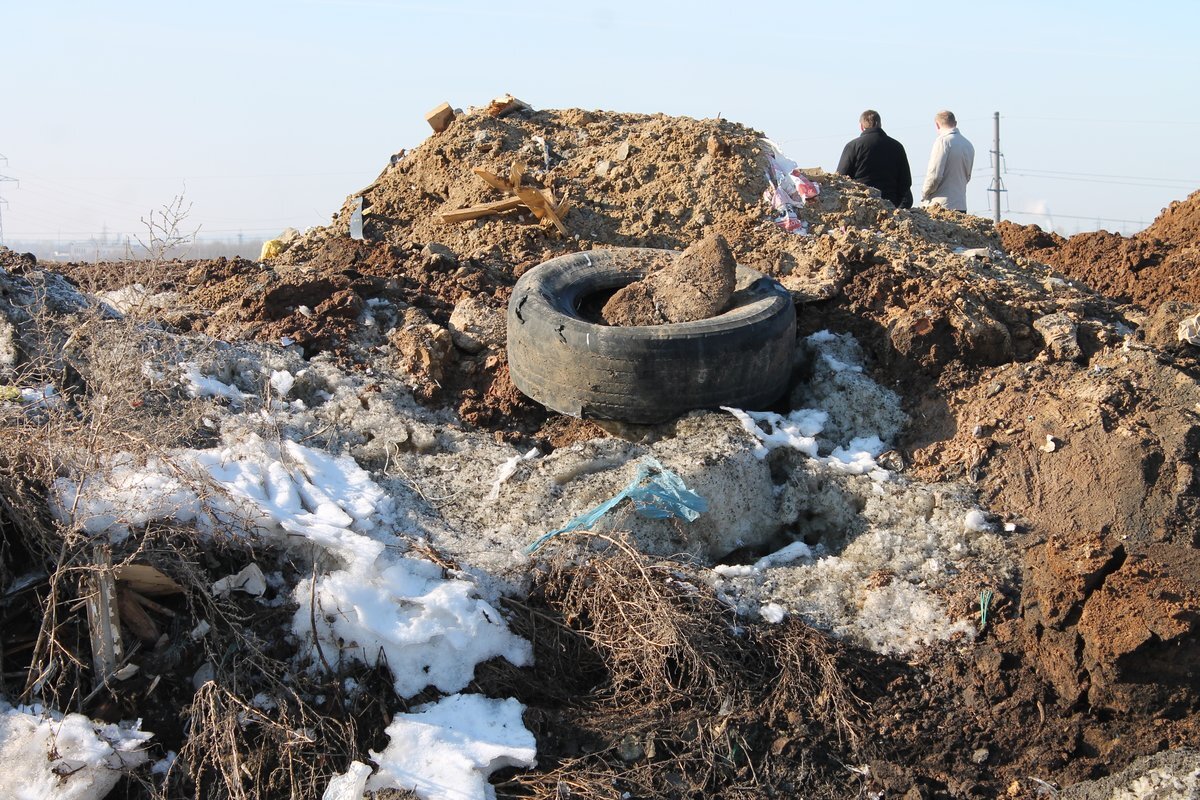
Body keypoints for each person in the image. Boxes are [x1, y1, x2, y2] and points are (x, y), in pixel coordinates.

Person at [836, 110, 913, 208]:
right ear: (880, 124)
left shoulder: (853, 146)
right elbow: (906, 181)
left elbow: (841, 177)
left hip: (862, 206)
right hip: (890, 205)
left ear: (861, 126)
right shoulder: (897, 146)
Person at [921, 110, 975, 211]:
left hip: (941, 205)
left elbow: (935, 175)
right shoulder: (968, 144)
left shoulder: (942, 141)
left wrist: (925, 193)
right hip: (961, 204)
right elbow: (967, 177)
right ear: (955, 123)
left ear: (937, 125)